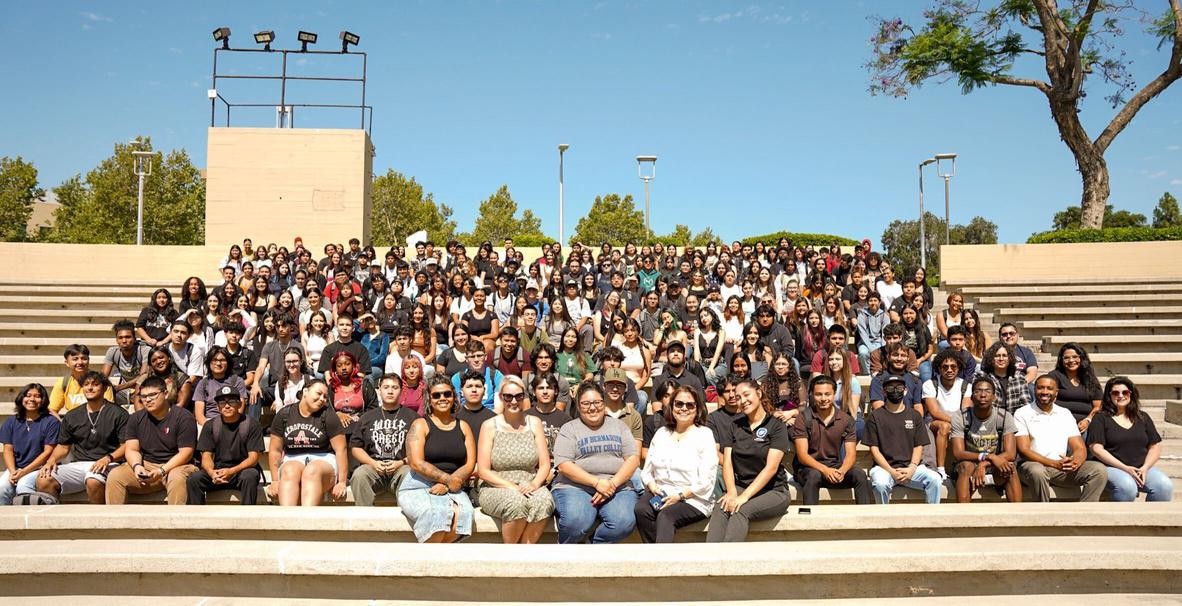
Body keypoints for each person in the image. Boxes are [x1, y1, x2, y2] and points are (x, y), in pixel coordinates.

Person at [551, 381, 641, 544]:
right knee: (577, 521)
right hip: (575, 486)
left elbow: (633, 459)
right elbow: (564, 465)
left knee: (623, 522)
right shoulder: (569, 429)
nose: (592, 408)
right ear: (578, 406)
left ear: (604, 403)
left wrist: (611, 484)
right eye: (586, 403)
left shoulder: (619, 426)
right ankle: (565, 552)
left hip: (617, 486)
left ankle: (594, 547)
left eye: (597, 402)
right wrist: (597, 483)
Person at [707, 379, 791, 542]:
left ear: (758, 393)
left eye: (746, 395)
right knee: (721, 506)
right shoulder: (734, 425)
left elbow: (771, 468)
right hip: (741, 486)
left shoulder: (776, 425)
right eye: (738, 397)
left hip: (774, 491)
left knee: (740, 510)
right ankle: (711, 560)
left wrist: (743, 496)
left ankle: (730, 562)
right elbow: (728, 463)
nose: (742, 400)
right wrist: (731, 492)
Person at [476, 376, 555, 544]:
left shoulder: (534, 423)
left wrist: (534, 484)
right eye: (508, 397)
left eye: (519, 396)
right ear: (501, 398)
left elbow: (544, 464)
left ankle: (524, 554)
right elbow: (483, 470)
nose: (514, 401)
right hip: (496, 485)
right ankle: (511, 554)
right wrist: (512, 487)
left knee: (544, 501)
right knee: (516, 502)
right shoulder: (489, 426)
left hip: (529, 483)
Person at [635, 386, 718, 543]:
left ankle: (662, 564)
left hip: (693, 497)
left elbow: (707, 481)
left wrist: (679, 496)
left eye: (690, 405)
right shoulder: (661, 433)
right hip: (661, 492)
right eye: (679, 404)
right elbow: (647, 471)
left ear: (697, 408)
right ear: (671, 406)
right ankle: (655, 556)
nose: (684, 408)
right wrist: (652, 487)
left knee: (666, 516)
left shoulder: (704, 435)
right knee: (641, 510)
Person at [400, 376, 478, 543]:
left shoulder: (463, 426)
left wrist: (447, 483)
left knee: (464, 514)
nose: (442, 398)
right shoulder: (420, 425)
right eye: (436, 395)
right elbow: (415, 462)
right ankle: (430, 565)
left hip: (453, 484)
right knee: (438, 514)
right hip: (418, 485)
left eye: (447, 394)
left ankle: (438, 563)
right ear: (429, 398)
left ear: (453, 396)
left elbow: (470, 463)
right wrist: (446, 480)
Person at [33, 372, 127, 504]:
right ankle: (56, 519)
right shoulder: (72, 416)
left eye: (95, 384)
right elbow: (63, 447)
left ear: (105, 388)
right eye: (86, 384)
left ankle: (98, 520)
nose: (90, 388)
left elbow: (126, 446)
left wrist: (107, 458)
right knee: (43, 479)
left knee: (93, 480)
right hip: (79, 464)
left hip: (109, 463)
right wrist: (51, 460)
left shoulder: (119, 413)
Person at [106, 376, 199, 505]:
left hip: (177, 466)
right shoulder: (136, 418)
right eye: (143, 397)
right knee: (115, 476)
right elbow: (132, 449)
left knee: (176, 477)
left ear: (165, 394)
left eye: (153, 395)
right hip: (147, 465)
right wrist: (137, 466)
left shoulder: (184, 417)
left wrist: (162, 470)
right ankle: (114, 522)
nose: (148, 400)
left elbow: (186, 453)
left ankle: (176, 523)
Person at [1015, 375, 1108, 502]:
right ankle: (1042, 514)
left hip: (1061, 468)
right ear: (1034, 390)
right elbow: (1024, 450)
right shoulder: (1022, 413)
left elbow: (1079, 447)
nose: (1045, 392)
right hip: (1032, 466)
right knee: (1037, 471)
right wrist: (1053, 463)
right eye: (1040, 388)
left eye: (1049, 388)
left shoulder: (1065, 413)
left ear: (1056, 393)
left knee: (1098, 470)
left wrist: (1075, 462)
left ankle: (1085, 513)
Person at [1088, 377, 1173, 502]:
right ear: (1109, 396)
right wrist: (1125, 468)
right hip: (1110, 468)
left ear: (1131, 394)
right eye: (1115, 393)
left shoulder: (1143, 417)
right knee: (1127, 487)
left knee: (1164, 486)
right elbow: (1096, 449)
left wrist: (1145, 467)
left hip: (1140, 468)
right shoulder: (1100, 418)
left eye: (1125, 392)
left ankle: (1149, 521)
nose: (1121, 396)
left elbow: (1154, 446)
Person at [791, 375, 873, 505]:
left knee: (860, 475)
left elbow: (851, 454)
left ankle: (865, 519)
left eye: (827, 394)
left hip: (834, 466)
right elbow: (802, 456)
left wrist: (842, 471)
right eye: (818, 394)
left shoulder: (846, 419)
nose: (823, 398)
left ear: (834, 394)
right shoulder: (803, 418)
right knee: (814, 476)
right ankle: (811, 521)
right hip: (808, 468)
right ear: (811, 395)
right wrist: (825, 470)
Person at [266, 380, 350, 506]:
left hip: (324, 460)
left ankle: (307, 522)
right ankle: (287, 523)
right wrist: (274, 480)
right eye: (319, 393)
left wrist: (342, 482)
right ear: (305, 391)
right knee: (290, 470)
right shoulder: (284, 414)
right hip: (292, 459)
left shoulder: (328, 415)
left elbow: (341, 449)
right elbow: (275, 450)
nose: (322, 399)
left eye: (325, 397)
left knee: (312, 470)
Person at [864, 373, 943, 504]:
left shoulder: (915, 415)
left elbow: (919, 446)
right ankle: (883, 519)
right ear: (884, 392)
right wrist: (891, 471)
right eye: (890, 388)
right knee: (880, 484)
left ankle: (932, 518)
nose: (895, 391)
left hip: (912, 468)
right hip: (885, 468)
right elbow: (874, 449)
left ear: (905, 391)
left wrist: (912, 468)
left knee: (935, 479)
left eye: (899, 387)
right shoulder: (875, 416)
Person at [186, 386, 265, 505]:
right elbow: (206, 456)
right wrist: (211, 472)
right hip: (218, 471)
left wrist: (231, 471)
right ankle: (197, 519)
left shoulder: (252, 425)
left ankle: (248, 517)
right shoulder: (210, 425)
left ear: (239, 404)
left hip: (240, 471)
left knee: (250, 475)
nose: (227, 406)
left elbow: (253, 458)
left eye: (232, 401)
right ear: (217, 406)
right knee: (194, 479)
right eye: (222, 402)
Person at [350, 373, 419, 507]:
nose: (390, 391)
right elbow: (356, 447)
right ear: (379, 390)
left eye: (395, 387)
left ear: (401, 390)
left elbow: (420, 450)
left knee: (409, 474)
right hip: (373, 468)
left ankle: (404, 523)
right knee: (359, 475)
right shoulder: (367, 418)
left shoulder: (413, 418)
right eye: (386, 387)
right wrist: (372, 463)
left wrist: (401, 462)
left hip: (402, 467)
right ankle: (364, 523)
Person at [950, 377, 1022, 503]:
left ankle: (1018, 516)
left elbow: (1010, 454)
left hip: (995, 466)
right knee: (966, 466)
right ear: (971, 397)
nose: (983, 395)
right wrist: (988, 456)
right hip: (970, 463)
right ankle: (962, 516)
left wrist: (985, 463)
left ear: (994, 397)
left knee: (1010, 467)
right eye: (978, 391)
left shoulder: (1004, 416)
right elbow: (958, 453)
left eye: (987, 391)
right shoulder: (960, 416)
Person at [0, 384, 60, 505]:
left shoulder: (51, 422)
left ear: (43, 401)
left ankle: (28, 520)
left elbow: (48, 452)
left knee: (23, 486)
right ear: (21, 398)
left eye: (37, 396)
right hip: (16, 468)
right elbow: (8, 450)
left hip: (40, 468)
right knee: (2, 488)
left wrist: (23, 472)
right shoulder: (11, 421)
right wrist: (13, 472)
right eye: (28, 396)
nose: (32, 399)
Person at [922, 349, 971, 476]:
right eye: (945, 367)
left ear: (958, 368)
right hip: (934, 423)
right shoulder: (930, 384)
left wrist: (957, 423)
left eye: (953, 366)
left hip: (958, 422)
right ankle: (941, 469)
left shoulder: (966, 385)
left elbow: (965, 411)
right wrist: (955, 422)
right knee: (945, 426)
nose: (949, 370)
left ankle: (961, 467)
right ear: (939, 368)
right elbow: (934, 412)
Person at [1048, 343, 1102, 429]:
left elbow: (1098, 406)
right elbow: (1048, 402)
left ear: (1082, 358)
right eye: (1066, 358)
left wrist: (1088, 420)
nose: (1071, 360)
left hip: (1086, 423)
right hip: (1060, 423)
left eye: (1075, 356)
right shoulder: (1054, 376)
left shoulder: (1090, 378)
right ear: (1061, 360)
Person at [49, 344, 114, 416]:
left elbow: (109, 409)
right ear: (67, 363)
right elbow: (52, 409)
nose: (80, 362)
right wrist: (63, 426)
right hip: (73, 424)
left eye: (84, 358)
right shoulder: (63, 382)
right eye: (75, 359)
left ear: (88, 360)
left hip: (97, 423)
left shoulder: (101, 381)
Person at [192, 347, 249, 426]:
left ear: (228, 362)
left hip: (232, 422)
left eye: (222, 360)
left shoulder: (237, 381)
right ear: (209, 362)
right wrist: (209, 428)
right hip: (208, 422)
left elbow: (239, 410)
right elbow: (199, 415)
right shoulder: (203, 383)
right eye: (215, 360)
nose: (218, 364)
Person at [973, 342, 1033, 414]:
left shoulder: (1019, 379)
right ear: (991, 359)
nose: (1001, 359)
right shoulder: (981, 377)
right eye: (997, 356)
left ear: (1010, 358)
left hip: (1013, 419)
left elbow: (1025, 406)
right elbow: (976, 402)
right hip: (989, 418)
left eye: (1004, 356)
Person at [103, 320, 150, 407]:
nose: (124, 341)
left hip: (144, 388)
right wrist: (111, 388)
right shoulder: (113, 352)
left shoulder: (144, 350)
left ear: (134, 338)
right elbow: (103, 377)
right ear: (116, 340)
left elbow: (143, 376)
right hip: (124, 392)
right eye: (120, 338)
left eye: (128, 337)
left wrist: (120, 387)